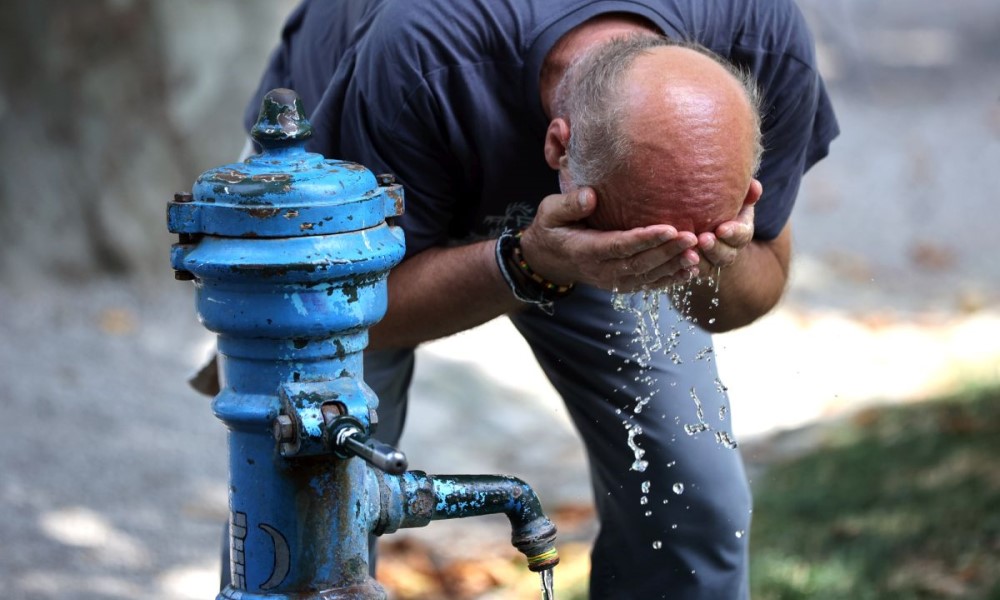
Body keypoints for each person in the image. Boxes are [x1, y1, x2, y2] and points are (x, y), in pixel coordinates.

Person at [242, 1, 838, 597]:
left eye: (684, 241)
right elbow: (348, 313)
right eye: (641, 247)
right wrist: (527, 262)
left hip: (582, 209)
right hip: (359, 191)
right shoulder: (421, 52)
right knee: (310, 476)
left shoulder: (760, 40)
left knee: (696, 503)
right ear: (557, 149)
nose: (665, 259)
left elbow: (751, 292)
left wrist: (707, 261)